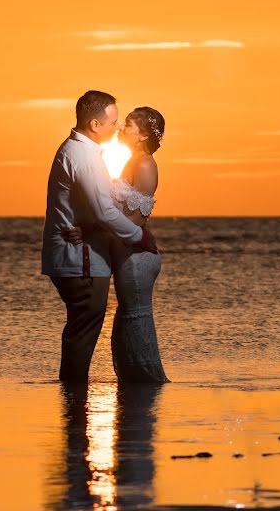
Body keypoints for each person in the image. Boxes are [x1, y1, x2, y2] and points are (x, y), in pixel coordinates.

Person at [41, 90, 157, 383]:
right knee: (82, 335)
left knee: (80, 334)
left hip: (79, 257)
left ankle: (73, 405)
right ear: (94, 124)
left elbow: (101, 209)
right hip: (81, 260)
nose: (117, 127)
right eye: (113, 122)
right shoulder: (85, 157)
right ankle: (75, 407)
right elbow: (104, 211)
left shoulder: (80, 151)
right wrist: (139, 237)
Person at [64, 107, 170, 384]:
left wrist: (90, 230)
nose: (122, 128)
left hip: (137, 259)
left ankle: (147, 386)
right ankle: (134, 392)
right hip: (126, 255)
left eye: (130, 125)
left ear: (143, 135)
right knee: (125, 322)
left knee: (134, 320)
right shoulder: (131, 161)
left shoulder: (146, 164)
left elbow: (137, 218)